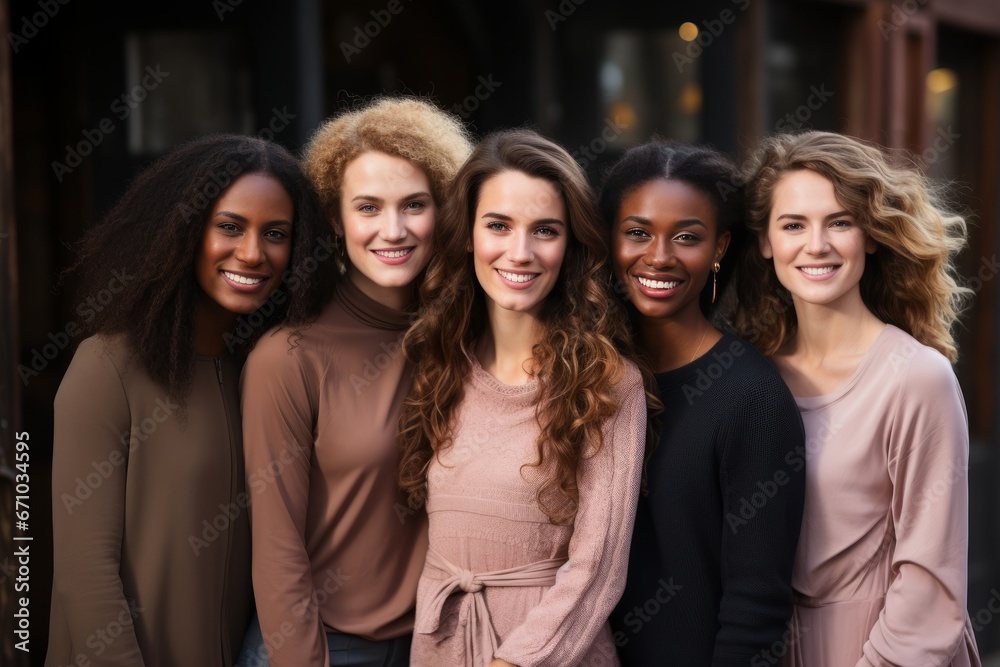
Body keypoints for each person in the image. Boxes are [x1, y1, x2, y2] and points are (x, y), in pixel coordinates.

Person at [46, 134, 333, 667]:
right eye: (229, 226)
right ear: (183, 229)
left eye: (276, 234)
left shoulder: (265, 372)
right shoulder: (108, 366)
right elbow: (84, 577)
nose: (252, 253)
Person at [398, 128, 650, 667]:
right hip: (440, 644)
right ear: (466, 234)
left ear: (570, 244)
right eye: (498, 225)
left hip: (547, 654)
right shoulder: (438, 363)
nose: (521, 252)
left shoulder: (606, 381)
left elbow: (598, 568)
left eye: (545, 230)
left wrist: (514, 662)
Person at [733, 130, 981, 666]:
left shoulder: (916, 377)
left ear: (869, 235)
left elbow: (930, 587)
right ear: (765, 241)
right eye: (793, 224)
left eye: (839, 222)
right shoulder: (751, 376)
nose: (816, 244)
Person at [239, 97, 472, 667]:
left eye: (414, 204)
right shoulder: (289, 357)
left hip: (442, 644)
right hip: (325, 648)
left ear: (444, 210)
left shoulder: (468, 336)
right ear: (335, 218)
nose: (392, 230)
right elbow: (276, 550)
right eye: (367, 207)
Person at [598, 141, 806, 665]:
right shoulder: (586, 378)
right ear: (610, 240)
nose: (659, 256)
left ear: (719, 247)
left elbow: (756, 610)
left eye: (687, 237)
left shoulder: (751, 396)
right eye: (638, 232)